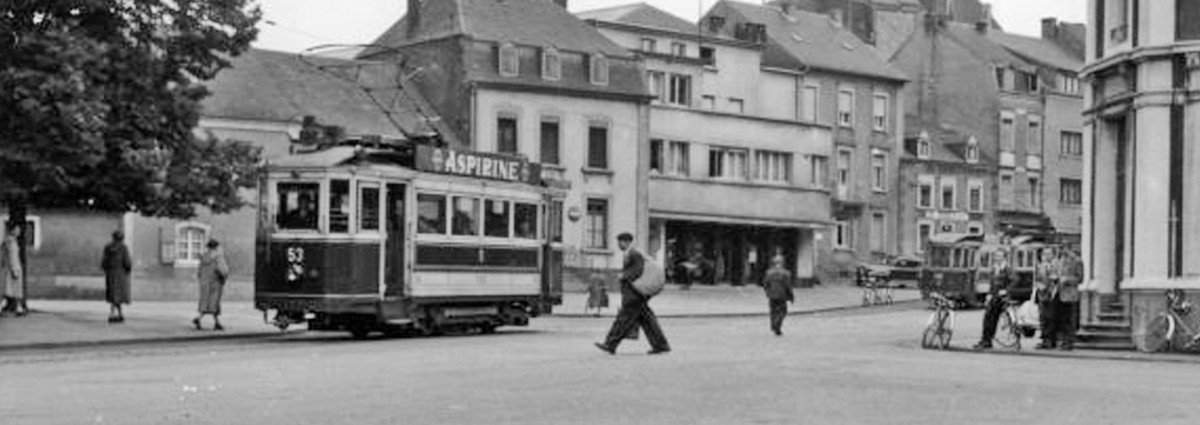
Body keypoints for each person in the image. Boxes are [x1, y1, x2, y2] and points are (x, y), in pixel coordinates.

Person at [595, 232, 670, 355]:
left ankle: (610, 344)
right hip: (638, 293)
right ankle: (661, 345)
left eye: (620, 242)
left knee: (623, 319)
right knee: (647, 320)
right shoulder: (632, 253)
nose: (619, 244)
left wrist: (624, 276)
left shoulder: (634, 253)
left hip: (634, 293)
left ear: (627, 242)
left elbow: (638, 270)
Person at [974, 252, 1016, 350]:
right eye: (996, 256)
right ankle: (985, 340)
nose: (997, 258)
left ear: (1004, 257)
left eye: (999, 256)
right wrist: (989, 294)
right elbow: (992, 284)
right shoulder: (995, 268)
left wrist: (1006, 290)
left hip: (1002, 298)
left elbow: (1015, 280)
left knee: (992, 318)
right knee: (987, 318)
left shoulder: (1007, 269)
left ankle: (987, 341)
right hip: (994, 296)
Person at [193, 239, 230, 331]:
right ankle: (199, 319)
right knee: (214, 303)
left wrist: (202, 279)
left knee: (206, 303)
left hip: (205, 284)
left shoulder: (204, 257)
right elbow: (224, 270)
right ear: (216, 247)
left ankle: (216, 323)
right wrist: (224, 277)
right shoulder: (218, 257)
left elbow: (199, 272)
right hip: (215, 283)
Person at [101, 230, 132, 323]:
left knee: (113, 294)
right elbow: (127, 262)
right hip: (120, 274)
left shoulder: (108, 247)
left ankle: (119, 313)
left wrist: (106, 270)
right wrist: (128, 270)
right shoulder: (123, 248)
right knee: (118, 295)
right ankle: (113, 314)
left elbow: (104, 261)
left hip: (111, 274)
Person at [1054, 251, 1083, 350]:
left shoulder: (1077, 261)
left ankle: (1069, 341)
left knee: (1069, 319)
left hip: (1070, 294)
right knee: (1060, 319)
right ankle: (1061, 340)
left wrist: (1067, 280)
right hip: (1059, 293)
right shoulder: (1059, 261)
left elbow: (1080, 278)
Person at [1034, 249, 1060, 349]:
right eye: (1045, 254)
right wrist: (1040, 286)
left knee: (1052, 317)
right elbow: (1037, 279)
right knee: (1043, 318)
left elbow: (1058, 278)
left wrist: (1055, 280)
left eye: (1049, 254)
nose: (1046, 256)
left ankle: (1052, 340)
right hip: (1042, 295)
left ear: (1053, 255)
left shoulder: (1057, 266)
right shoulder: (1040, 266)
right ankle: (1044, 339)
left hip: (1053, 295)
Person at [762, 255, 794, 336]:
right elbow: (788, 286)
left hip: (772, 295)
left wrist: (768, 292)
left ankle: (774, 325)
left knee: (773, 311)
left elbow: (765, 284)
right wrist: (791, 296)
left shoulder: (769, 272)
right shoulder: (786, 273)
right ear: (782, 263)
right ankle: (777, 325)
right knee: (783, 311)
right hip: (782, 296)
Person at [1, 223, 27, 317]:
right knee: (14, 291)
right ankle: (18, 308)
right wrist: (15, 269)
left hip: (7, 268)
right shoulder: (11, 242)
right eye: (17, 229)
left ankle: (18, 308)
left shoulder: (7, 241)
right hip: (13, 269)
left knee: (8, 290)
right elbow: (13, 257)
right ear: (12, 230)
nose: (19, 231)